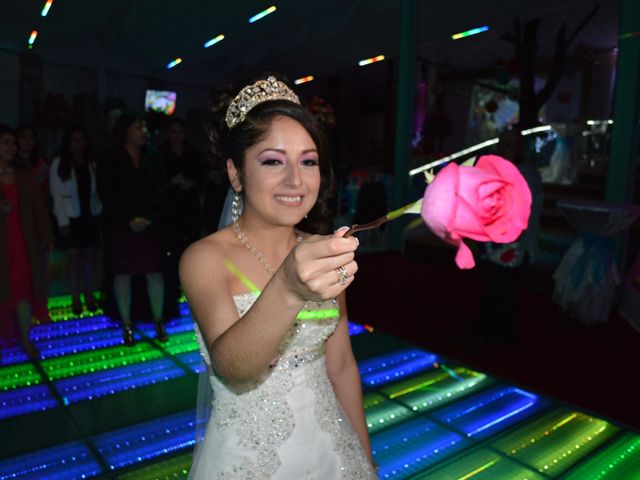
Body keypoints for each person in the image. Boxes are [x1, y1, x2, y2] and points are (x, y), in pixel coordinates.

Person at [180, 76, 377, 479]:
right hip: (248, 461)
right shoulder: (204, 258)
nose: (295, 180)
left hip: (329, 452)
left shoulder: (321, 250)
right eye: (272, 161)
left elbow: (340, 365)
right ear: (236, 174)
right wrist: (288, 286)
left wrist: (365, 458)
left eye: (308, 161)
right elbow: (233, 368)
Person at [98, 113, 168, 346]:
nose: (144, 131)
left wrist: (148, 218)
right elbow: (107, 193)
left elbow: (162, 190)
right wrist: (128, 218)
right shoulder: (110, 157)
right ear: (126, 129)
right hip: (121, 225)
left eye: (145, 127)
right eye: (139, 126)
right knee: (122, 274)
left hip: (150, 225)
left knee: (154, 273)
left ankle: (158, 320)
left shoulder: (155, 156)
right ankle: (126, 323)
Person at [472, 129, 543, 349]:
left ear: (519, 147)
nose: (504, 149)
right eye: (502, 145)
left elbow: (529, 213)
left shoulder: (527, 173)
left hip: (514, 242)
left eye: (509, 145)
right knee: (497, 287)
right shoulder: (496, 169)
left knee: (504, 289)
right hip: (495, 240)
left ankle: (498, 336)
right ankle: (499, 334)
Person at [0, 124, 53, 358]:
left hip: (22, 241)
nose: (11, 148)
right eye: (5, 143)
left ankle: (25, 338)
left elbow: (39, 208)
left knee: (22, 289)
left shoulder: (23, 173)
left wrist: (46, 234)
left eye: (13, 142)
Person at [50, 126, 102, 314]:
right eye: (73, 140)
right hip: (70, 217)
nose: (77, 144)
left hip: (89, 215)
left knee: (89, 259)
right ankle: (74, 296)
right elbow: (56, 194)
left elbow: (96, 192)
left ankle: (88, 294)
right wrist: (62, 221)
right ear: (67, 142)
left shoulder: (91, 164)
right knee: (73, 259)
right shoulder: (59, 163)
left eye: (81, 139)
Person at [161, 118, 203, 319]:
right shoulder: (161, 154)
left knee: (192, 258)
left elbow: (202, 177)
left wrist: (192, 183)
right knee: (170, 260)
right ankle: (171, 305)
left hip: (190, 212)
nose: (177, 136)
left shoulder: (193, 153)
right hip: (169, 215)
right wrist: (171, 183)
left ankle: (193, 304)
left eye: (180, 132)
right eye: (173, 132)